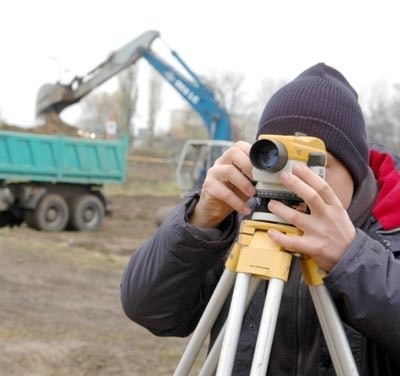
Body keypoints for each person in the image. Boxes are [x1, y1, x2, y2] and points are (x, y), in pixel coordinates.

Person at [120, 63, 400, 375]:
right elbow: (148, 309)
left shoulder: (391, 232)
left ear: (356, 171)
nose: (294, 180)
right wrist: (200, 222)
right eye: (278, 160)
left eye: (314, 164)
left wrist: (352, 259)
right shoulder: (239, 222)